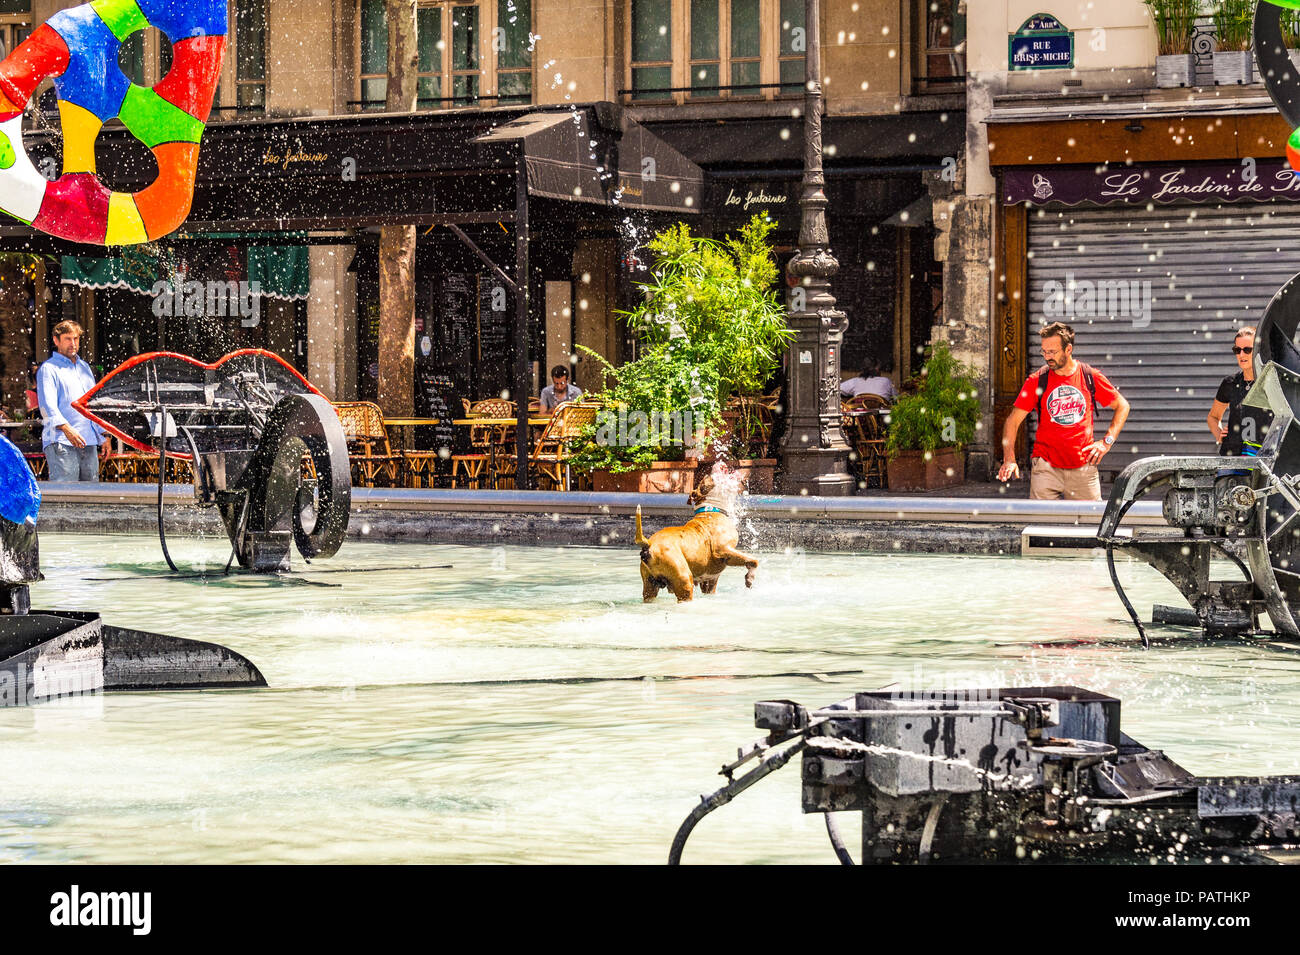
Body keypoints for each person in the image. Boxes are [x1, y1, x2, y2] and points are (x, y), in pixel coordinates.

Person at [997, 321, 1131, 500]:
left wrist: (1106, 442)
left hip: (1083, 468)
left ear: (1068, 349)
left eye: (1052, 352)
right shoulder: (1037, 381)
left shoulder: (1088, 375)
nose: (1047, 356)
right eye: (1044, 351)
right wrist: (1009, 459)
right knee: (1040, 526)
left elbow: (1122, 406)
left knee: (1091, 524)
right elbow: (1012, 422)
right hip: (1045, 468)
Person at [37, 320, 106, 482]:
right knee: (66, 496)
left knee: (91, 496)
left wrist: (104, 435)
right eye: (67, 339)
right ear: (56, 340)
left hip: (88, 440)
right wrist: (67, 429)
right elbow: (47, 407)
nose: (73, 343)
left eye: (75, 338)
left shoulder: (85, 367)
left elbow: (93, 404)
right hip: (61, 440)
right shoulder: (49, 368)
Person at [1207, 327, 1271, 457]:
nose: (1241, 355)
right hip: (1231, 457)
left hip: (1262, 459)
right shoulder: (1229, 383)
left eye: (1247, 350)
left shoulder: (1271, 382)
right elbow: (1212, 417)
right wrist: (1219, 434)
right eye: (1237, 350)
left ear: (1258, 350)